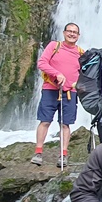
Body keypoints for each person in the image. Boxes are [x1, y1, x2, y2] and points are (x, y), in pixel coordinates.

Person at [33, 22, 81, 167]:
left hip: (70, 92)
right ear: (64, 33)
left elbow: (86, 72)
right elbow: (42, 63)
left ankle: (63, 155)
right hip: (50, 89)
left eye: (75, 32)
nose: (72, 34)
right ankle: (38, 152)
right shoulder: (54, 46)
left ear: (78, 36)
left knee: (65, 124)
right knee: (45, 121)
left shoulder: (81, 53)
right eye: (69, 31)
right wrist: (56, 74)